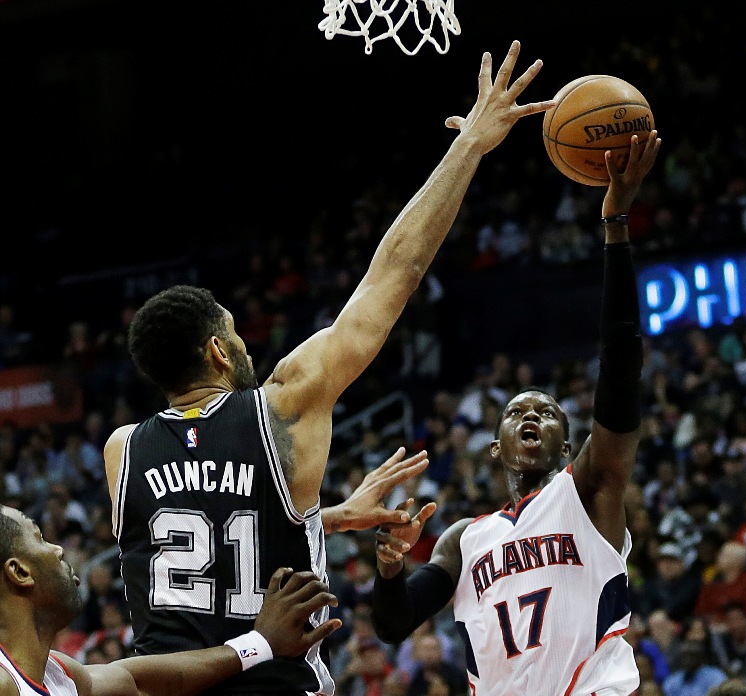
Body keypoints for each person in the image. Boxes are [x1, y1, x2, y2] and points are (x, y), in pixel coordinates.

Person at [100, 41, 556, 696]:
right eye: (234, 330)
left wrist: (329, 517)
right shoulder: (283, 405)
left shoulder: (123, 451)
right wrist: (471, 148)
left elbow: (213, 519)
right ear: (218, 352)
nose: (245, 342)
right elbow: (393, 277)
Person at [368, 133, 662, 694]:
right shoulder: (463, 539)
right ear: (496, 445)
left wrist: (616, 224)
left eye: (549, 414)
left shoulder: (589, 491)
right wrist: (388, 573)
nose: (532, 416)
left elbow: (621, 363)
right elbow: (393, 622)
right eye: (518, 411)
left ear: (568, 441)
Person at [0, 505, 338, 696]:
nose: (58, 549)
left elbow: (139, 681)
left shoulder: (59, 674)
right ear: (19, 571)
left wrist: (260, 643)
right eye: (39, 538)